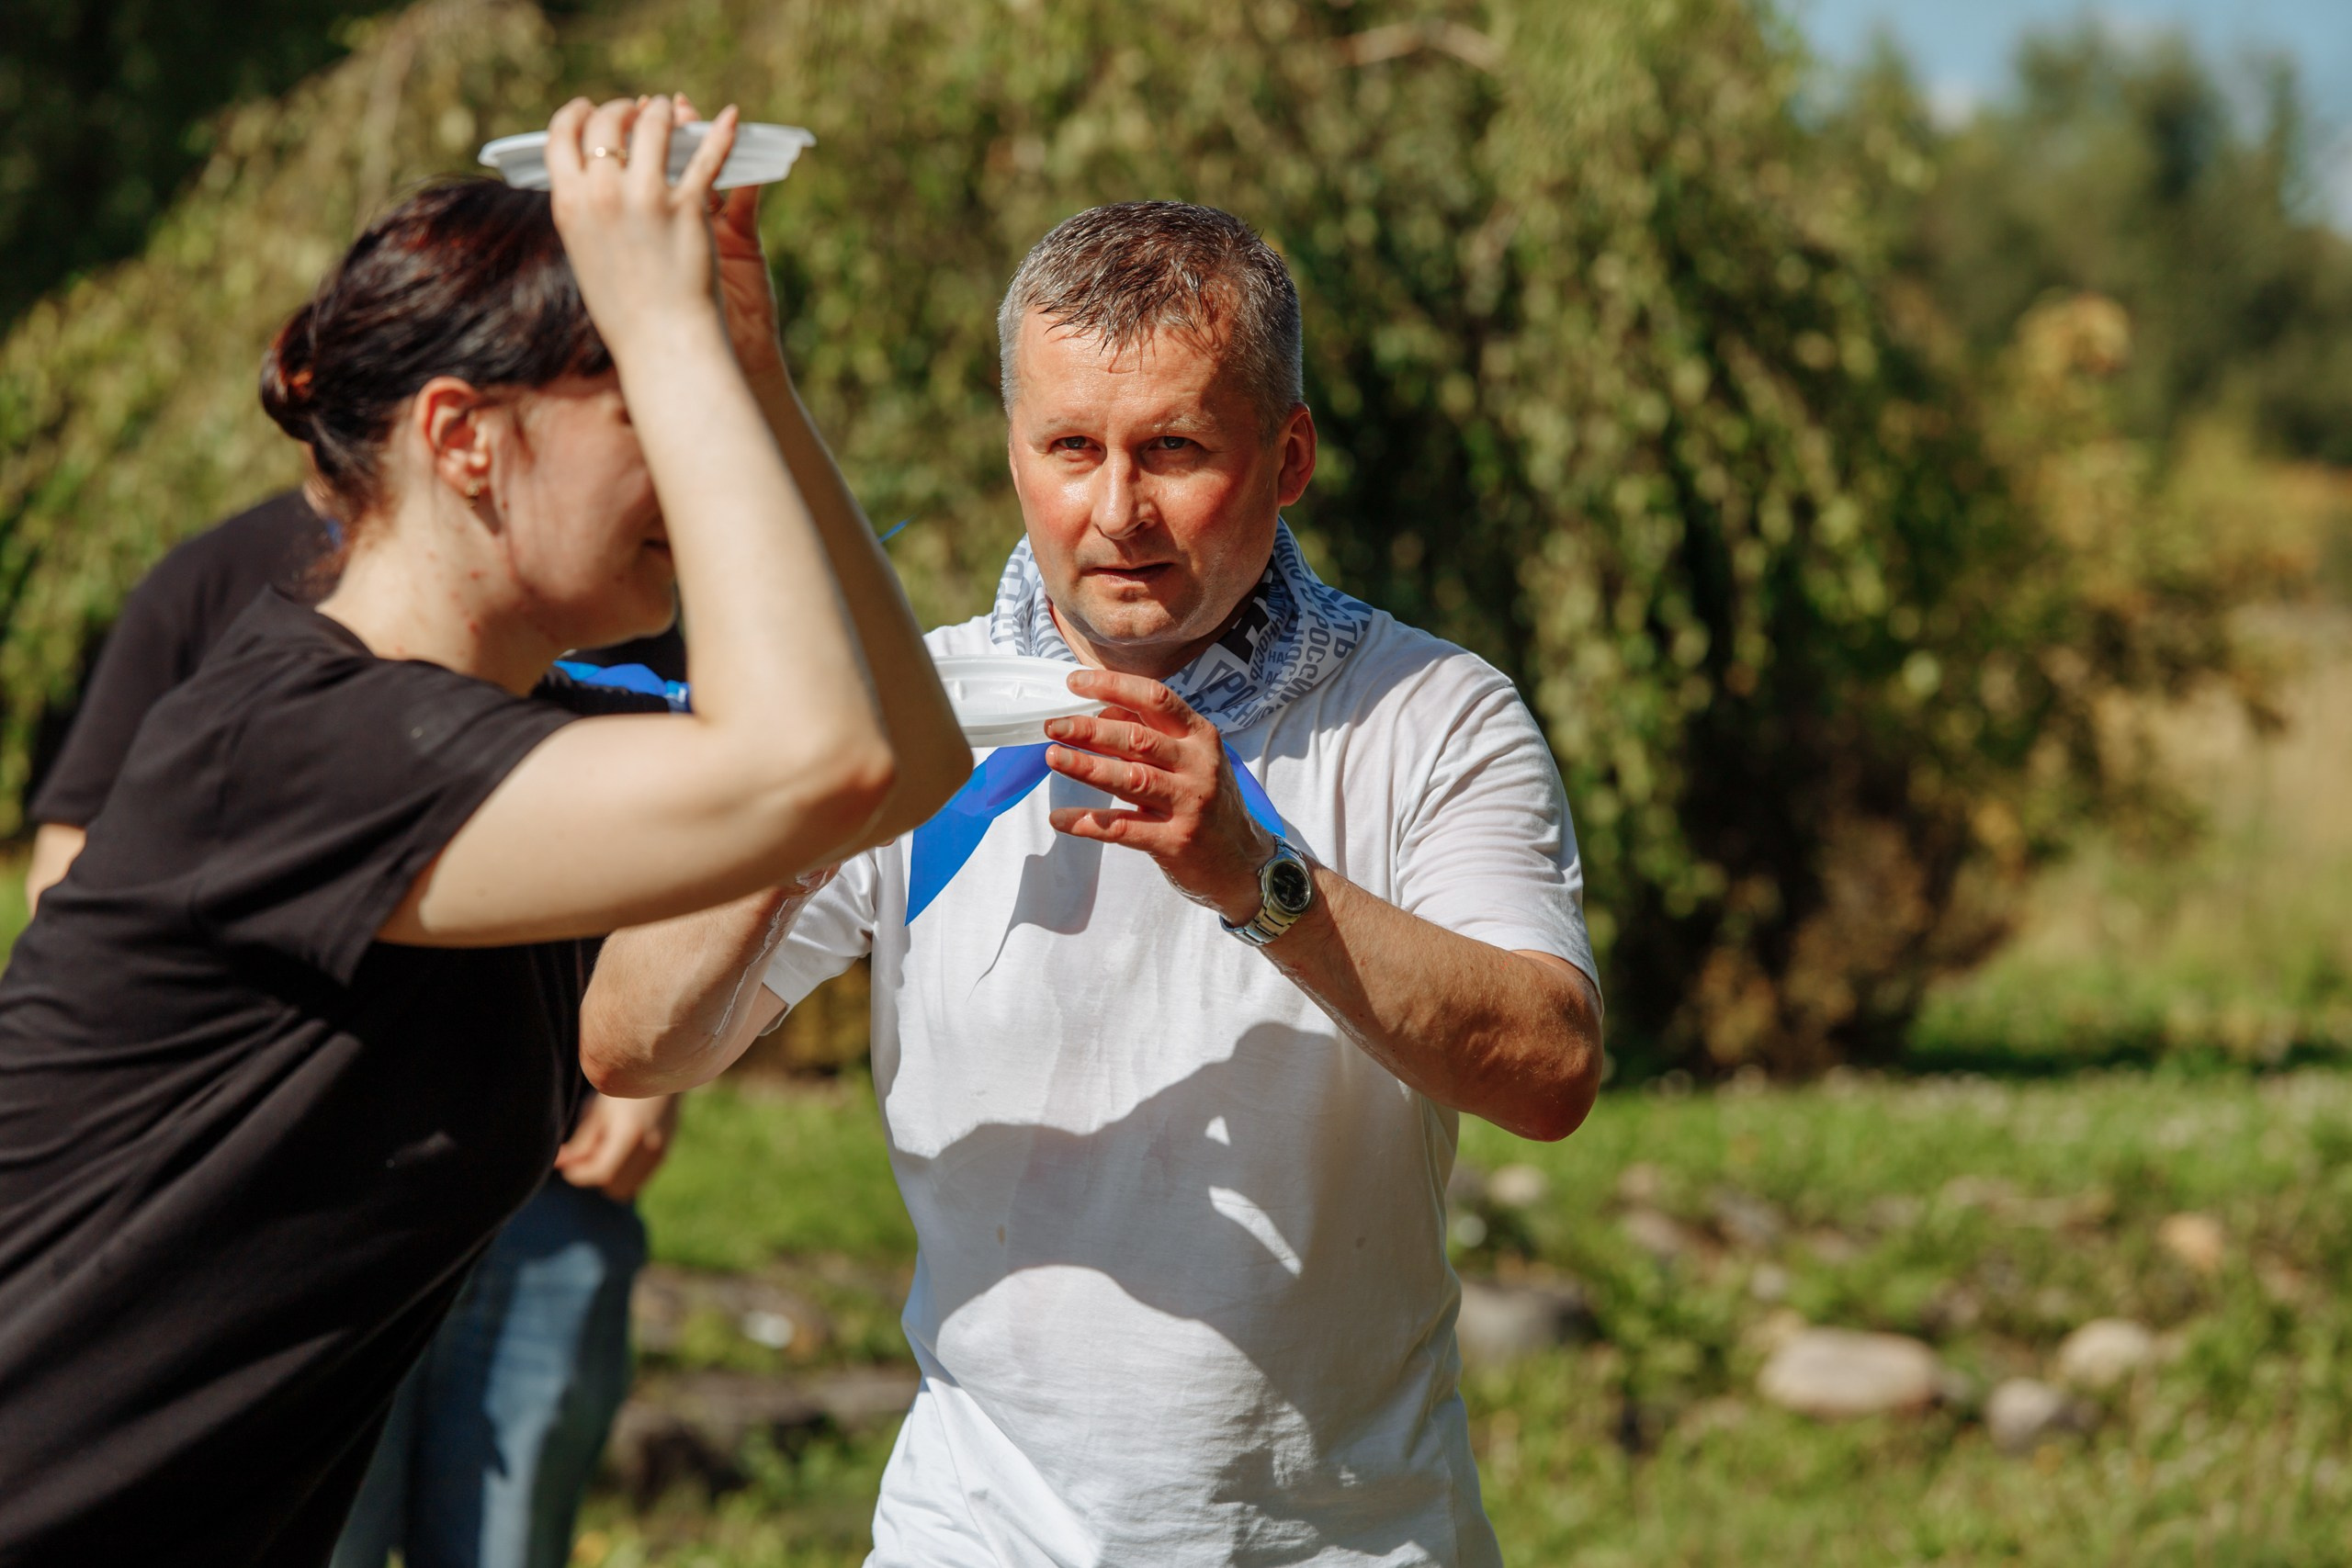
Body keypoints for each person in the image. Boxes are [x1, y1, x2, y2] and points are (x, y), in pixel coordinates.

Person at [0, 95, 970, 1564]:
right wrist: (663, 321)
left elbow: (900, 758)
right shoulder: (298, 744)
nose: (690, 453)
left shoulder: (506, 746)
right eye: (649, 399)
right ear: (463, 437)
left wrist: (752, 378)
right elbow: (819, 763)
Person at [585, 201, 1606, 1565]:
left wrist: (1260, 880)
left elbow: (1550, 1067)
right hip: (980, 1530)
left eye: (1174, 449)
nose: (1115, 510)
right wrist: (804, 820)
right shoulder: (911, 708)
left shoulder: (1429, 711)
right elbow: (632, 1042)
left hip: (1355, 1538)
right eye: (1071, 447)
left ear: (1288, 452)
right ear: (1014, 449)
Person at [19, 490, 693, 1568]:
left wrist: (644, 1081)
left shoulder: (599, 576)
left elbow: (722, 825)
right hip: (298, 1203)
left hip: (536, 1177)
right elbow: (77, 864)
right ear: (448, 418)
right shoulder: (222, 598)